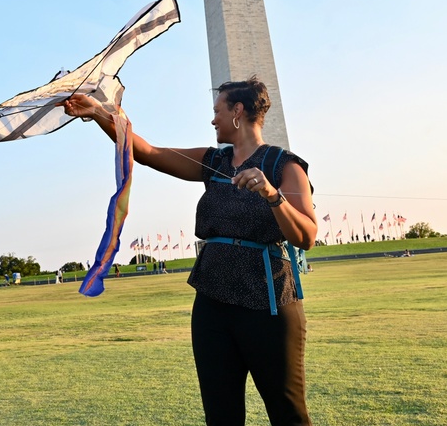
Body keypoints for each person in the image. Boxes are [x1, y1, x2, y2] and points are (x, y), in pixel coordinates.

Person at [62, 76, 317, 425]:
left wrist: (272, 195)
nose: (213, 120)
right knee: (220, 415)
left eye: (218, 111)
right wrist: (100, 114)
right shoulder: (214, 160)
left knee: (288, 413)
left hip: (269, 306)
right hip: (211, 305)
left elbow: (306, 235)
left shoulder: (285, 166)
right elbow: (148, 153)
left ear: (237, 111)